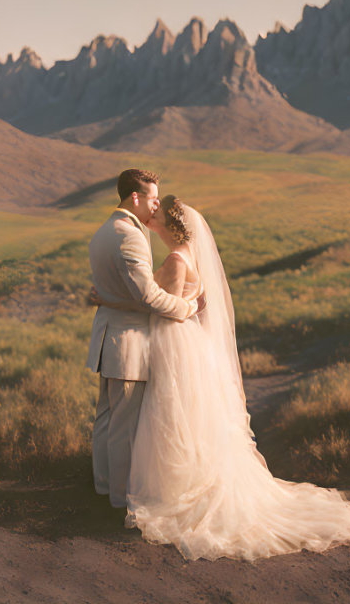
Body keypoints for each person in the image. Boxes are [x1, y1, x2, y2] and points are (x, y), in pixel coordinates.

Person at [92, 194, 350, 561]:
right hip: (189, 344)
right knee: (186, 421)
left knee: (171, 419)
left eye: (157, 214)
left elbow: (159, 308)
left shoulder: (176, 259)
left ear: (168, 226)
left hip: (174, 343)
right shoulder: (189, 253)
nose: (151, 216)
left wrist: (110, 300)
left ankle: (161, 491)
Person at [86, 169, 204, 510]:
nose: (155, 206)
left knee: (107, 419)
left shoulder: (103, 231)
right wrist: (186, 307)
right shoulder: (130, 236)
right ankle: (121, 501)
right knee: (123, 427)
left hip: (109, 339)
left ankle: (103, 487)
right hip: (128, 344)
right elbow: (149, 299)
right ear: (134, 197)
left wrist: (107, 299)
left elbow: (126, 293)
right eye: (152, 199)